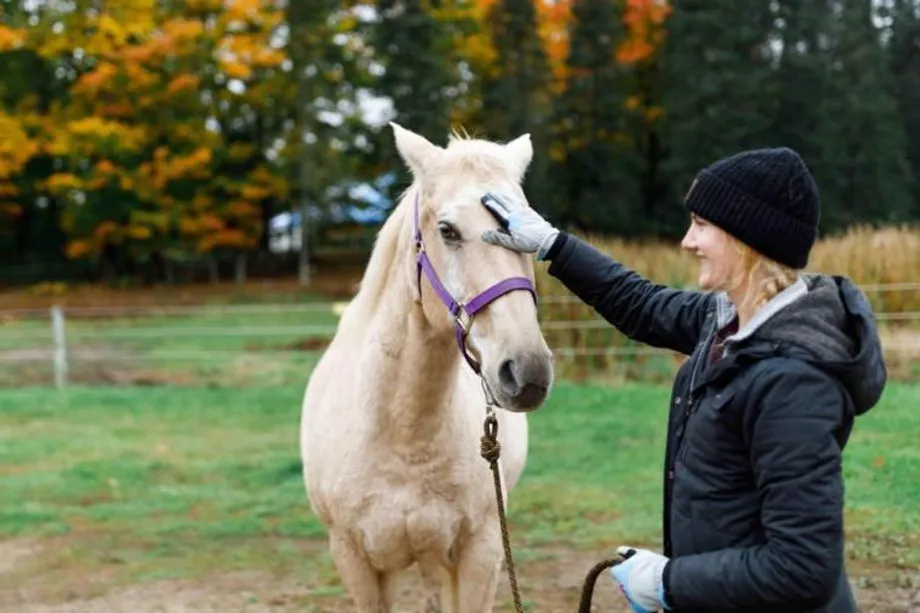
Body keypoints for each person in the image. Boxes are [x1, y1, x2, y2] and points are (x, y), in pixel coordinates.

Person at [480, 147, 887, 613]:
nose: (687, 241)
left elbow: (802, 568)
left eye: (702, 224)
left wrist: (667, 580)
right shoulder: (728, 322)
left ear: (746, 239)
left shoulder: (794, 382)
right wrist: (554, 244)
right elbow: (641, 303)